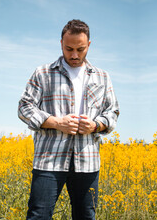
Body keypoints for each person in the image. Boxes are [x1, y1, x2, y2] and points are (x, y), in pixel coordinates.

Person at [18, 19, 119, 220]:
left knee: (85, 216)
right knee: (38, 215)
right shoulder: (43, 73)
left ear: (89, 45)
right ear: (61, 43)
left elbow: (113, 112)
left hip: (87, 161)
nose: (74, 55)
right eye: (69, 48)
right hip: (49, 160)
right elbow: (24, 107)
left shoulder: (102, 77)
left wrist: (95, 125)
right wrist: (56, 122)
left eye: (80, 49)